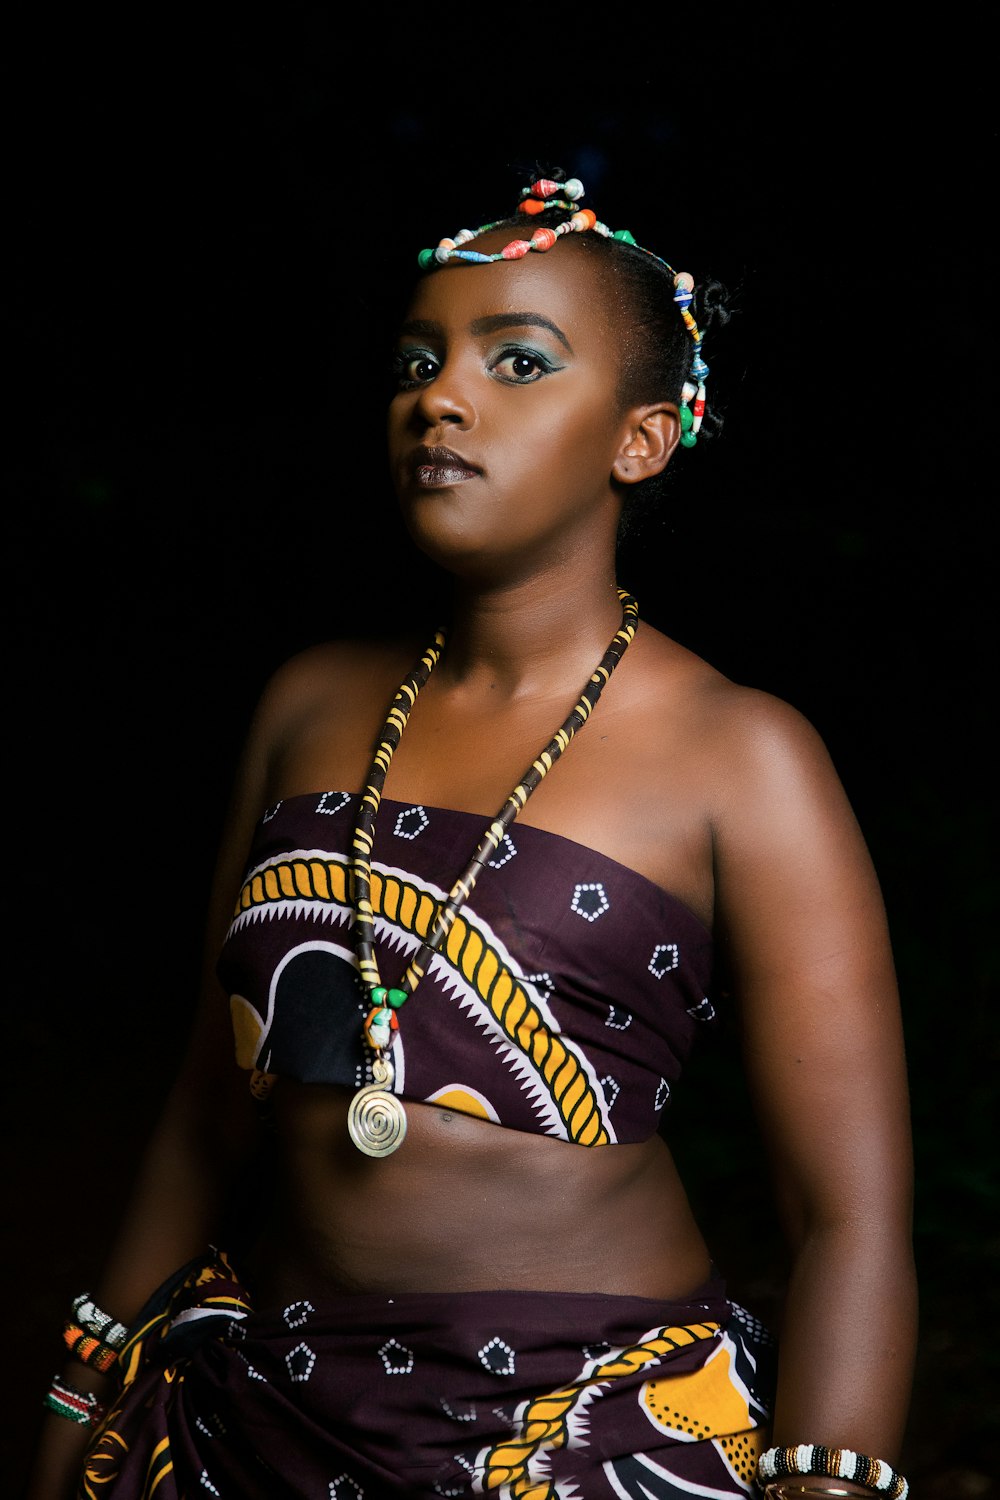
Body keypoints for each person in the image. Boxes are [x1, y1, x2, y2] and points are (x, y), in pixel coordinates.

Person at [26, 169, 917, 1499]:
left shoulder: (744, 757)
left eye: (517, 362)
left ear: (643, 438)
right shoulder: (312, 705)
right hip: (263, 1420)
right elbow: (207, 1119)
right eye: (415, 359)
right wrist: (83, 1389)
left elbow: (850, 1217)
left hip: (595, 1436)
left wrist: (828, 1476)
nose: (440, 397)